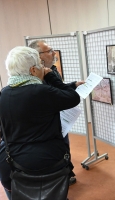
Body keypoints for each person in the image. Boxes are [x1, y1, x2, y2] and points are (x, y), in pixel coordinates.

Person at [0, 46, 80, 199]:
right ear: (33, 70)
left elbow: (3, 132)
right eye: (40, 65)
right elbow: (73, 97)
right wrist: (51, 76)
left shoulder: (2, 94)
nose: (43, 68)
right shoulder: (41, 92)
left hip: (9, 165)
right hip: (45, 163)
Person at [29, 40, 84, 185]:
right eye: (49, 50)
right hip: (48, 123)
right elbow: (53, 95)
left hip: (60, 118)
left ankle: (66, 171)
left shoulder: (52, 70)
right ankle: (59, 177)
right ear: (38, 56)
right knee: (56, 148)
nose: (54, 53)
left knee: (64, 145)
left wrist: (73, 84)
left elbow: (59, 89)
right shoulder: (36, 79)